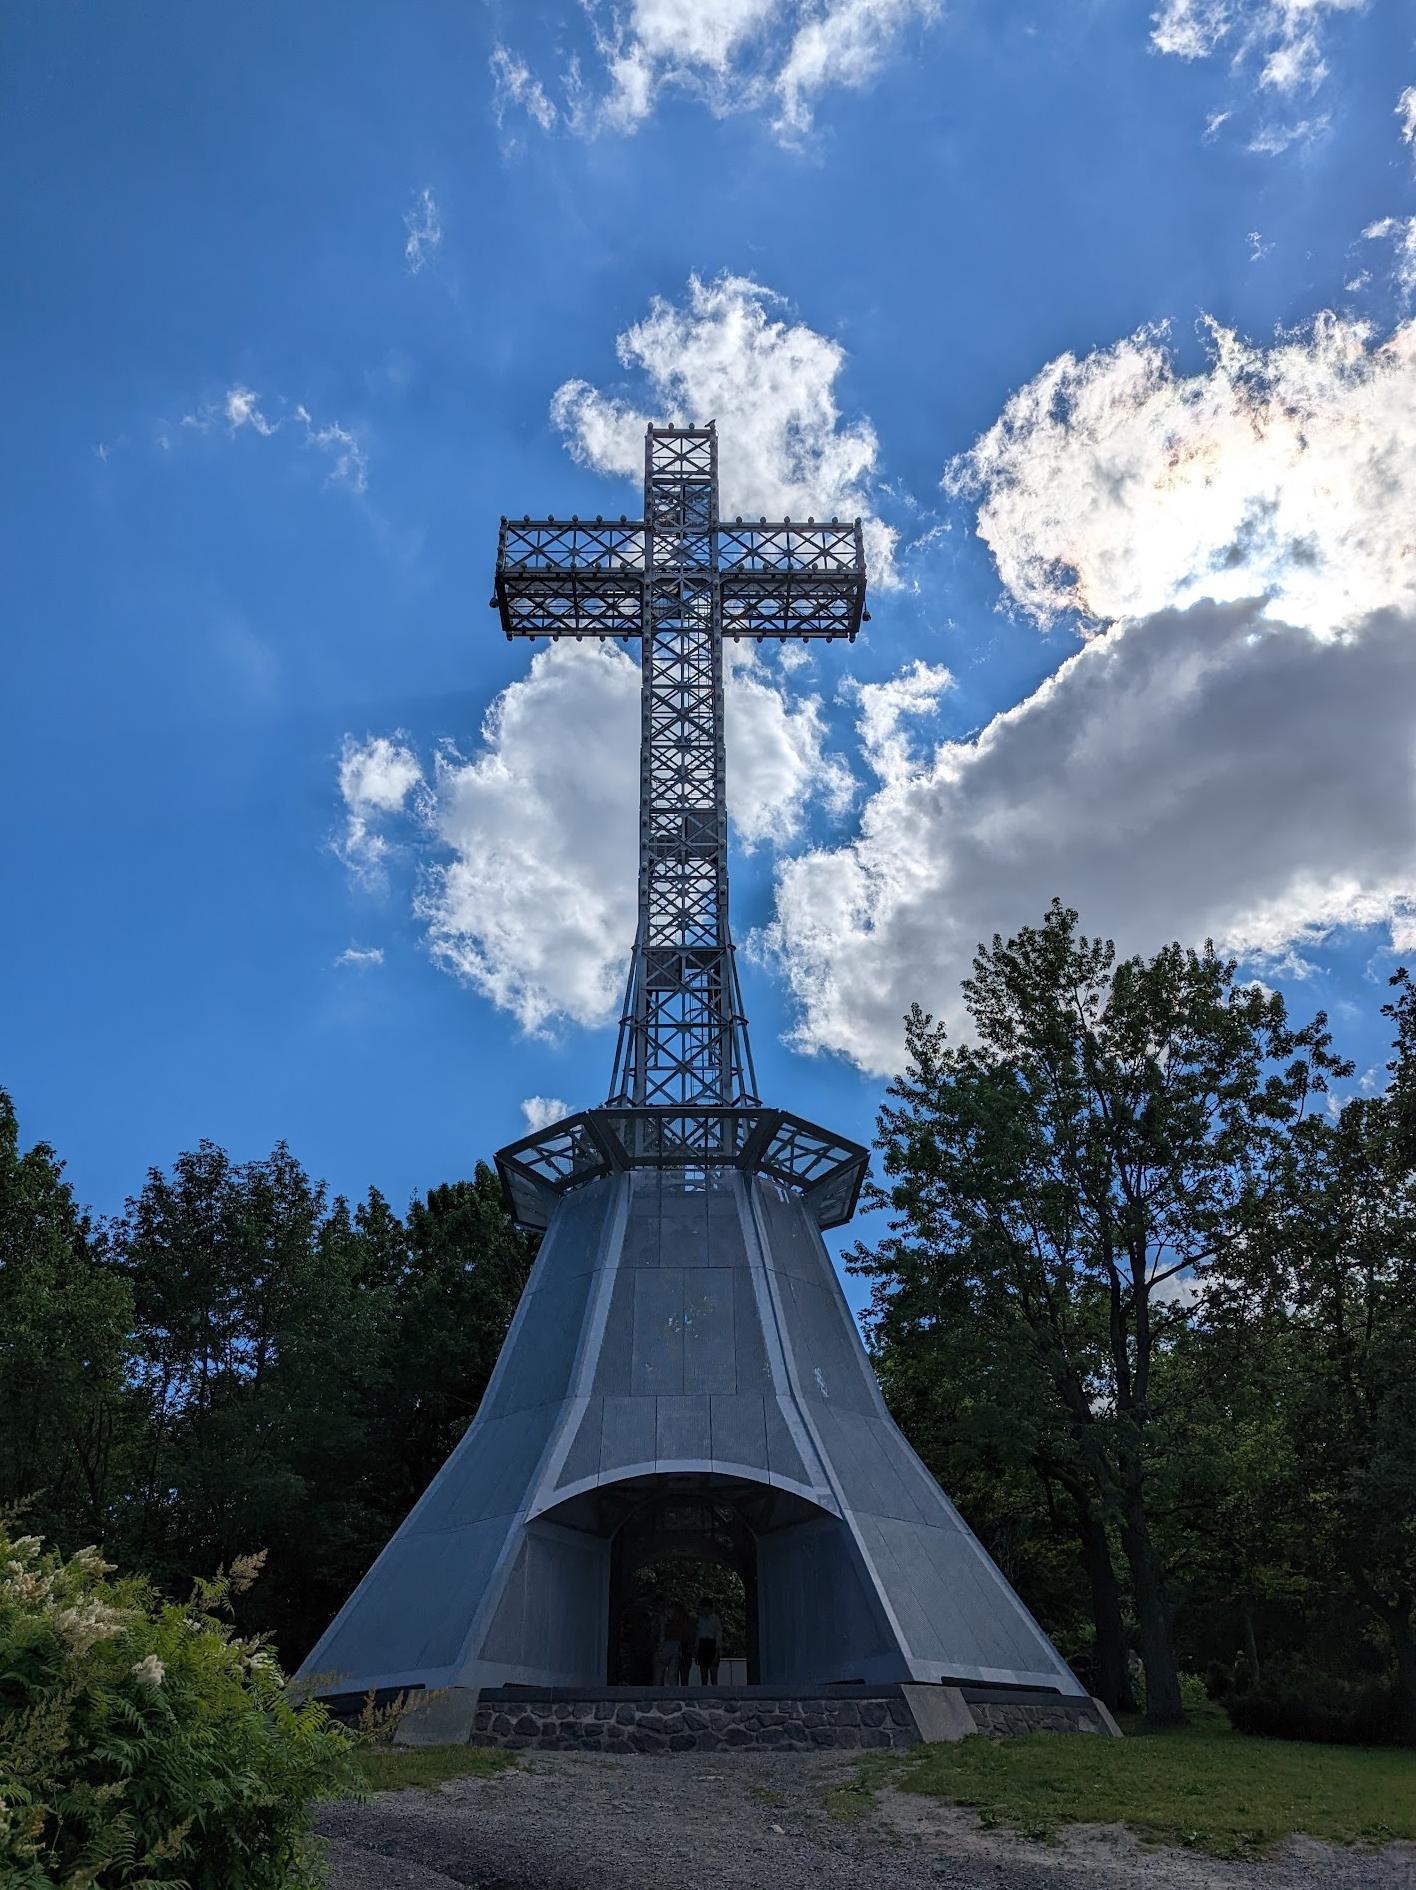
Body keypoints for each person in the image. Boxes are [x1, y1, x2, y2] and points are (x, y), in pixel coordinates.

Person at [695, 1598, 722, 1685]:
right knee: (703, 1674)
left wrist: (717, 1651)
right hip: (702, 1645)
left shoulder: (715, 1619)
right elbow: (698, 1635)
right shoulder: (700, 1619)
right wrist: (696, 1651)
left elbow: (718, 1635)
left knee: (713, 1673)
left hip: (712, 1644)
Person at [653, 1610, 678, 1688]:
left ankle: (672, 1691)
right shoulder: (657, 1627)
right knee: (659, 1674)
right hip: (663, 1647)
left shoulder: (672, 1626)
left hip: (670, 1646)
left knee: (671, 1674)